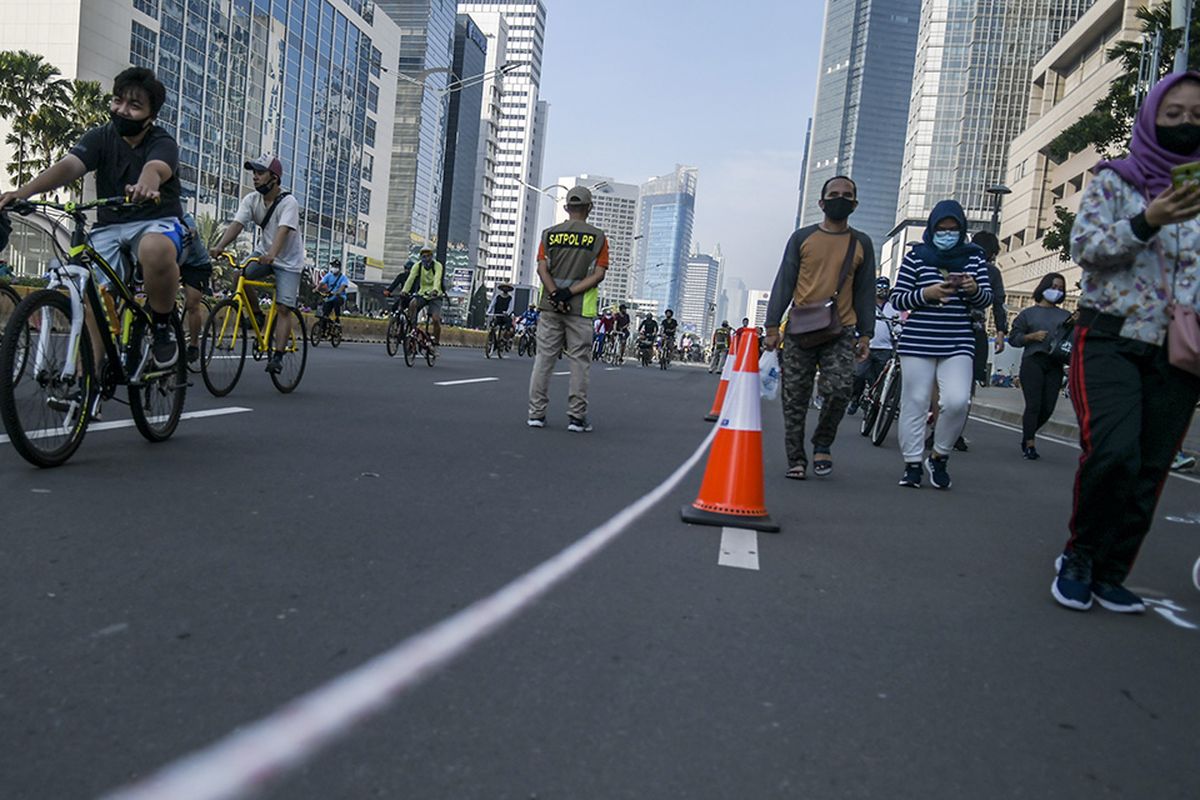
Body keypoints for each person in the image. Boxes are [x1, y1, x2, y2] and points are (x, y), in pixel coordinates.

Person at [1053, 72, 1200, 614]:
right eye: (1175, 112)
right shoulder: (1117, 181)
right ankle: (1079, 558)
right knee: (1114, 452)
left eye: (1198, 116)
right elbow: (1086, 248)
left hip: (1181, 352)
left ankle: (1114, 572)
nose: (1187, 123)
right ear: (1152, 116)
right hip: (1112, 337)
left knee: (1151, 466)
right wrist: (1147, 220)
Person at [0, 67, 186, 368]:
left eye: (134, 106)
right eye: (118, 101)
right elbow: (69, 166)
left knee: (155, 248)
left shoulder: (162, 141)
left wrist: (146, 184)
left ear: (151, 116)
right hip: (109, 226)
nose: (122, 111)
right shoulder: (101, 137)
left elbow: (156, 168)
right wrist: (24, 192)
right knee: (93, 300)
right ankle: (91, 385)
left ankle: (162, 325)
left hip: (155, 222)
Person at [764, 175, 876, 480]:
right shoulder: (802, 238)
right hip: (800, 329)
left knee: (840, 390)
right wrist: (772, 327)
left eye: (847, 194)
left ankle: (823, 442)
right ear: (822, 202)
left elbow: (866, 291)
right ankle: (796, 459)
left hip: (841, 331)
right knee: (795, 397)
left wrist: (866, 333)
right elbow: (784, 282)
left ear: (854, 203)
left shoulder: (861, 243)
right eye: (834, 194)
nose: (840, 198)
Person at [889, 199, 992, 490]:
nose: (947, 234)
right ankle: (911, 464)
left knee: (958, 401)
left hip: (959, 339)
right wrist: (927, 293)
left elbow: (986, 300)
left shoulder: (975, 257)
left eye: (953, 229)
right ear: (932, 228)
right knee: (916, 402)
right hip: (918, 341)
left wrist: (973, 289)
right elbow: (899, 299)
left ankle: (939, 455)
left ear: (962, 231)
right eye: (941, 229)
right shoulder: (916, 257)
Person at [209, 154, 304, 374]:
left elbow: (283, 230)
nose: (255, 177)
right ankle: (257, 315)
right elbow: (237, 224)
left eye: (260, 173)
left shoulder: (289, 202)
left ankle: (278, 356)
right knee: (239, 276)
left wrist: (272, 253)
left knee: (283, 308)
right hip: (263, 254)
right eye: (254, 173)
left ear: (274, 177)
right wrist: (219, 245)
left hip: (288, 261)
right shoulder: (251, 200)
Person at [527, 185, 609, 431]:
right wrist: (569, 293)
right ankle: (576, 417)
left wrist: (554, 293)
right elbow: (599, 274)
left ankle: (536, 414)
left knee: (544, 360)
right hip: (579, 309)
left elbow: (542, 269)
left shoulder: (549, 234)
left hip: (550, 307)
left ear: (566, 208)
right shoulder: (598, 237)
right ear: (589, 207)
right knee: (579, 363)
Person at [1008, 272, 1071, 460]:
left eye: (1060, 288)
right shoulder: (1028, 314)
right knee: (1033, 404)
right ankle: (1030, 444)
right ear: (1043, 288)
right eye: (1053, 287)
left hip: (1055, 363)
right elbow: (1014, 339)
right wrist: (1031, 337)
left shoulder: (1066, 316)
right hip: (1033, 360)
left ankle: (1028, 433)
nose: (1057, 291)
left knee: (1048, 406)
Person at [848, 276, 899, 414]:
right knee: (858, 374)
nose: (882, 291)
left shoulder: (893, 307)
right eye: (879, 287)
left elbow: (898, 325)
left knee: (878, 381)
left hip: (885, 349)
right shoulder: (866, 305)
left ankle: (873, 406)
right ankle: (855, 398)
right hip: (867, 346)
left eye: (884, 288)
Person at [401, 247, 445, 346]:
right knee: (412, 304)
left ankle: (436, 340)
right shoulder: (418, 266)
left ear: (432, 256)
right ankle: (413, 329)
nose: (426, 259)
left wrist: (435, 290)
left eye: (428, 256)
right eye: (424, 256)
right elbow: (411, 278)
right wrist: (404, 291)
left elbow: (437, 278)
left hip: (435, 295)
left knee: (435, 319)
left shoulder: (437, 266)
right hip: (423, 294)